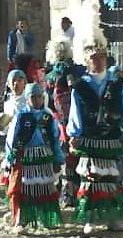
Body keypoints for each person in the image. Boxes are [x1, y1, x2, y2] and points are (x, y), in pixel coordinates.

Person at [67, 41, 123, 234]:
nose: (98, 61)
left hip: (112, 138)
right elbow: (75, 113)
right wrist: (74, 134)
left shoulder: (116, 84)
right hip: (90, 138)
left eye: (101, 57)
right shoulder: (80, 87)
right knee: (90, 178)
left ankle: (113, 218)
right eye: (93, 58)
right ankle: (90, 219)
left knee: (114, 178)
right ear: (87, 61)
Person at [5, 83, 64, 233]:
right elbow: (14, 137)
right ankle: (22, 219)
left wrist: (57, 157)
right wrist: (11, 156)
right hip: (26, 157)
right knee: (25, 189)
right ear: (27, 98)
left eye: (39, 97)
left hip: (44, 157)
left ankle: (47, 217)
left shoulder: (48, 116)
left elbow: (55, 137)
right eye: (33, 97)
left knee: (45, 188)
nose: (37, 100)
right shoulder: (22, 115)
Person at [45, 37, 86, 207]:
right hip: (78, 120)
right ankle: (77, 191)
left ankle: (66, 193)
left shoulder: (51, 76)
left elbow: (48, 102)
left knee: (63, 156)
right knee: (76, 155)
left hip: (60, 123)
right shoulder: (78, 71)